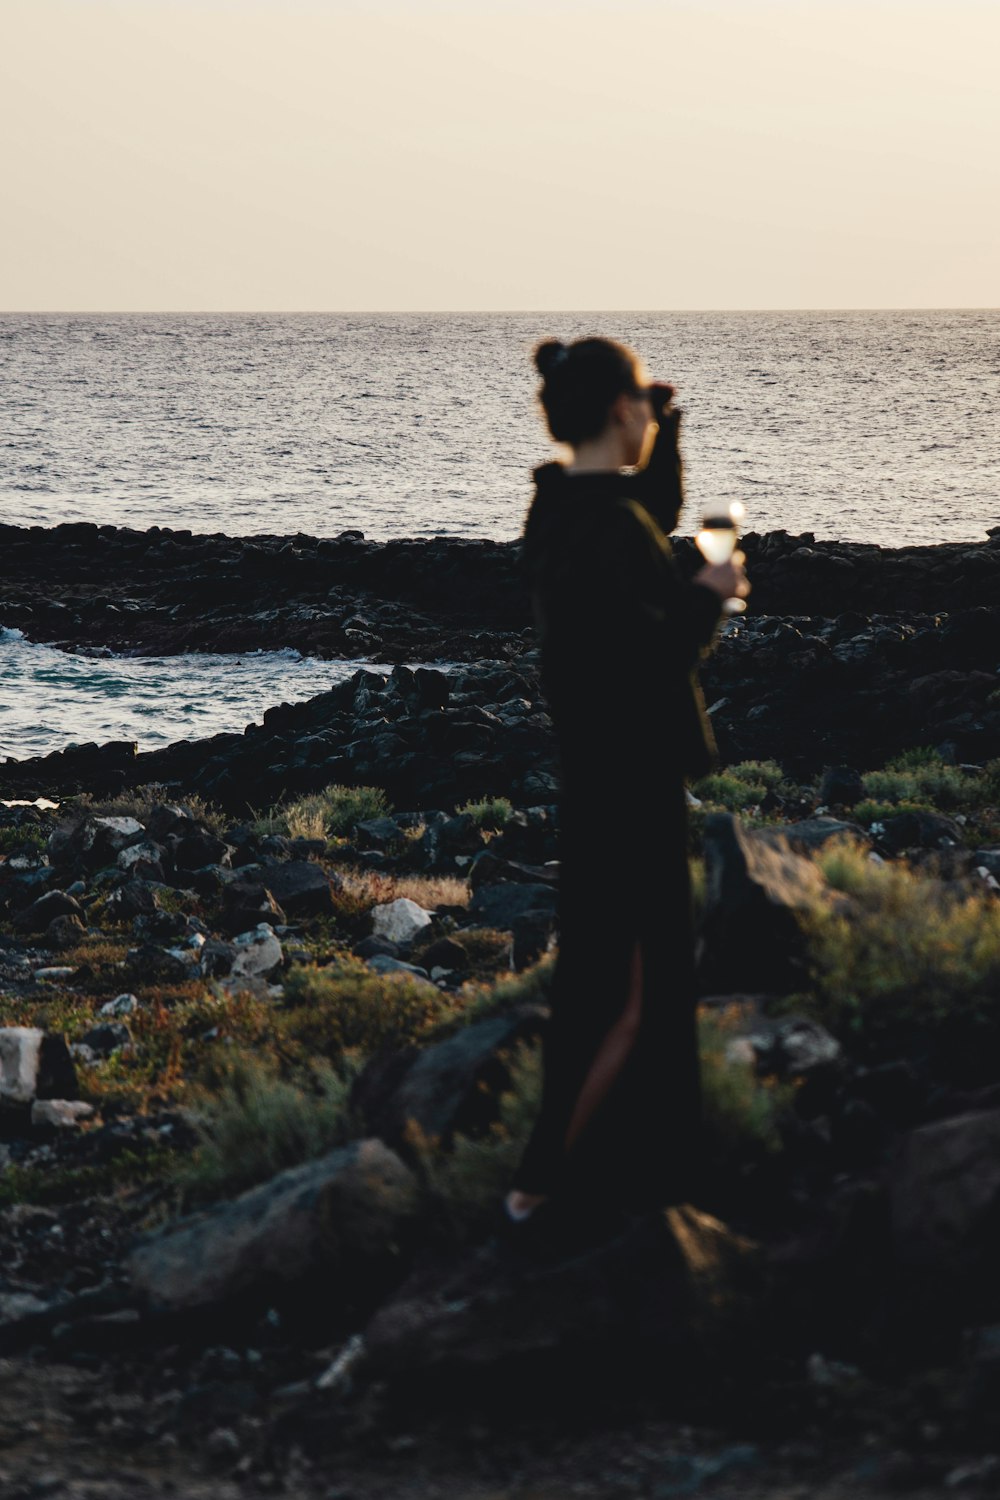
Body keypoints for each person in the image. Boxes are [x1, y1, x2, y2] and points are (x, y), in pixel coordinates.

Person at [504, 335, 749, 1232]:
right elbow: (645, 654)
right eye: (641, 400)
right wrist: (709, 593)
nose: (649, 410)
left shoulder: (568, 508)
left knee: (628, 987)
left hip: (602, 777)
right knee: (627, 993)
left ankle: (621, 1181)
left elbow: (646, 504)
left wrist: (666, 421)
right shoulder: (598, 531)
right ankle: (543, 1189)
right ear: (617, 409)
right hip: (627, 782)